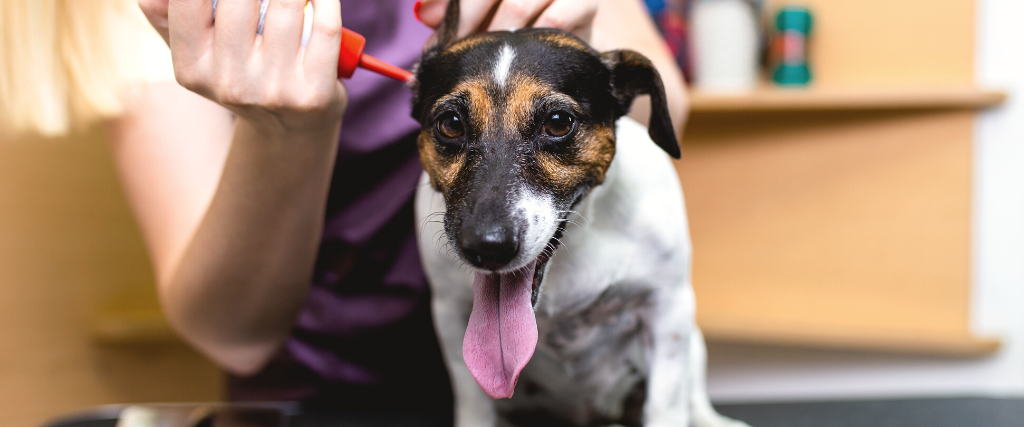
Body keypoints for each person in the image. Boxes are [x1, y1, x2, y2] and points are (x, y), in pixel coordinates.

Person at [114, 0, 690, 418]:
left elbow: (666, 115)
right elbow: (233, 336)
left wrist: (571, 47)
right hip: (321, 401)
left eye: (557, 122)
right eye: (452, 126)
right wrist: (286, 132)